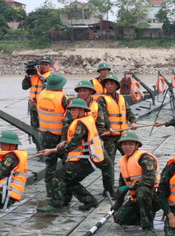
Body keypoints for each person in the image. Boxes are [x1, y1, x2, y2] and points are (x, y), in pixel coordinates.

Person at [36, 98, 104, 213]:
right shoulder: (85, 121)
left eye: (74, 110)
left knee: (58, 177)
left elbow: (72, 145)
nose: (71, 112)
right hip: (87, 161)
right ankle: (90, 200)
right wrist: (62, 144)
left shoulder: (81, 124)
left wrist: (53, 151)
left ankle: (55, 204)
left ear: (82, 110)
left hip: (83, 161)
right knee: (70, 181)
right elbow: (78, 142)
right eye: (70, 110)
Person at [74, 79, 115, 198]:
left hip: (93, 143)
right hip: (77, 144)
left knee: (107, 165)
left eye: (85, 91)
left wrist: (99, 132)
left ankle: (109, 190)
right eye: (80, 91)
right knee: (69, 171)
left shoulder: (97, 106)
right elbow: (67, 125)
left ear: (90, 92)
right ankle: (65, 195)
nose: (82, 93)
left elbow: (101, 124)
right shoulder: (73, 106)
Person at [115, 131, 159, 236]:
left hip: (153, 197)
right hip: (136, 199)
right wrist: (117, 204)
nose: (127, 147)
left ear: (136, 145)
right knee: (119, 219)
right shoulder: (123, 161)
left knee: (142, 190)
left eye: (130, 144)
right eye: (124, 144)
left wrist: (130, 187)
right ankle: (141, 215)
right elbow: (122, 185)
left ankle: (149, 226)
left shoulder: (145, 159)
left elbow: (150, 181)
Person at [100, 75, 138, 195]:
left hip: (122, 136)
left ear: (117, 86)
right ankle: (108, 189)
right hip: (109, 136)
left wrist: (133, 121)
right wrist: (109, 126)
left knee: (128, 159)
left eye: (112, 84)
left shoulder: (121, 98)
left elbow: (128, 111)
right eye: (107, 84)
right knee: (109, 163)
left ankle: (123, 185)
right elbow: (103, 115)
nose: (109, 86)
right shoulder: (102, 99)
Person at [35, 73, 68, 203]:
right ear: (60, 87)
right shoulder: (62, 98)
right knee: (66, 163)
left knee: (50, 165)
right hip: (59, 136)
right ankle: (63, 189)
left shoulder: (41, 94)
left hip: (45, 135)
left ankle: (49, 191)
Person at [22, 56, 52, 138]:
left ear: (50, 66)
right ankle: (36, 142)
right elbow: (24, 87)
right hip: (32, 105)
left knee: (44, 126)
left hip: (43, 105)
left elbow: (48, 85)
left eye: (46, 64)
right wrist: (27, 78)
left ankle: (44, 143)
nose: (44, 66)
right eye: (42, 64)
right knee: (34, 126)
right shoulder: (34, 76)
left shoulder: (51, 76)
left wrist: (40, 75)